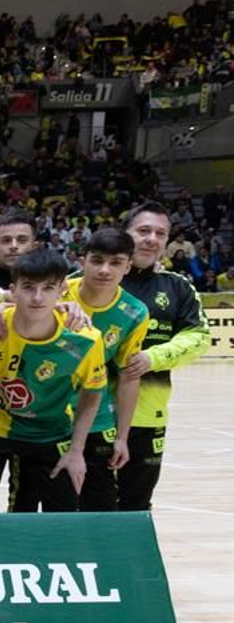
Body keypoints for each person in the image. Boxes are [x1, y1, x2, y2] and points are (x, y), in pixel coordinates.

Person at [0, 248, 106, 514]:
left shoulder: (85, 339)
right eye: (28, 287)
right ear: (13, 290)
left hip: (49, 431)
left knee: (58, 510)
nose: (38, 297)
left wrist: (77, 451)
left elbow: (93, 391)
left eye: (48, 288)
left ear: (62, 290)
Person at [116, 200, 211, 510]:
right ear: (125, 234)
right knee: (81, 506)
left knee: (135, 506)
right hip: (87, 416)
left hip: (147, 418)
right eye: (143, 231)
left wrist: (152, 358)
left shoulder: (178, 287)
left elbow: (199, 337)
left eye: (160, 234)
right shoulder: (89, 279)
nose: (152, 239)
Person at [63, 228, 151, 512]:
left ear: (128, 266)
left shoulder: (135, 312)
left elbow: (128, 375)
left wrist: (122, 437)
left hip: (98, 421)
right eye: (97, 260)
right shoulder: (56, 293)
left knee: (101, 509)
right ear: (82, 261)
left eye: (115, 263)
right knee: (52, 506)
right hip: (49, 418)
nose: (104, 270)